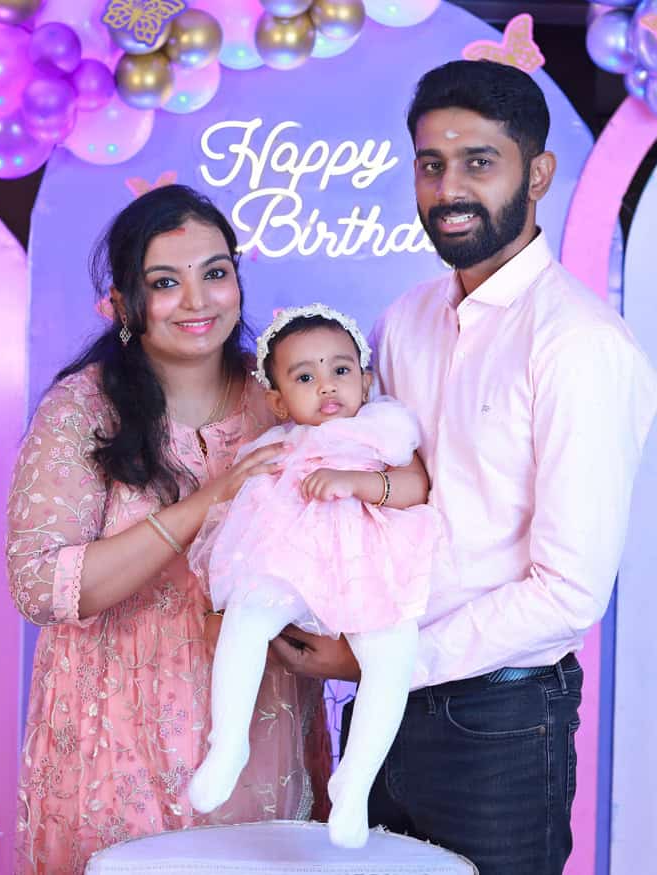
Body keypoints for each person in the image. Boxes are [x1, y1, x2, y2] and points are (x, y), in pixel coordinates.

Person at [268, 60, 657, 874]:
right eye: (429, 164)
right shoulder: (403, 321)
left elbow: (568, 590)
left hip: (501, 717)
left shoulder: (579, 346)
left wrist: (379, 660)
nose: (448, 188)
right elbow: (373, 490)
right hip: (380, 703)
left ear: (537, 173)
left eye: (478, 162)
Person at [6, 185, 330, 874]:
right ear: (124, 304)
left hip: (255, 729)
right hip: (111, 744)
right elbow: (42, 586)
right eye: (164, 282)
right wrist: (207, 501)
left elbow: (348, 551)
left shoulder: (285, 401)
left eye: (214, 272)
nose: (197, 299)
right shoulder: (81, 410)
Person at [185, 304, 448, 849]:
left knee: (392, 655)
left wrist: (354, 481)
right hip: (294, 560)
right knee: (248, 615)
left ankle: (354, 781)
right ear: (279, 399)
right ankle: (228, 741)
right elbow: (241, 516)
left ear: (366, 378)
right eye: (305, 377)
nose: (326, 385)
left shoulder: (383, 430)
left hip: (368, 566)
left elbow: (415, 487)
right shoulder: (278, 446)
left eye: (340, 370)